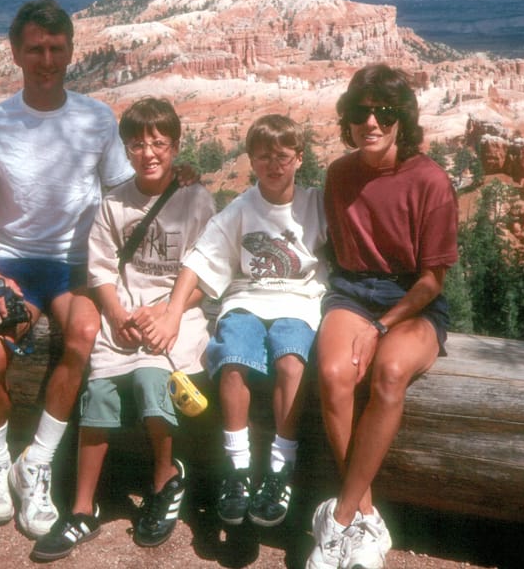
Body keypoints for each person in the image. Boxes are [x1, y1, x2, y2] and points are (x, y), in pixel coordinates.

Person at [0, 0, 135, 539]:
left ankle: (34, 462)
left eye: (56, 48)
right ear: (16, 53)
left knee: (83, 332)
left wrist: (174, 183)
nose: (46, 58)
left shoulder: (96, 118)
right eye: (35, 48)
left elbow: (124, 194)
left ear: (72, 51)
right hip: (12, 261)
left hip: (78, 260)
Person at [30, 97, 215, 561]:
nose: (149, 153)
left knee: (155, 380)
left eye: (159, 143)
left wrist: (168, 314)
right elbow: (102, 271)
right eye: (137, 144)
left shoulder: (197, 199)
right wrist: (114, 314)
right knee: (98, 392)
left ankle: (164, 478)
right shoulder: (114, 204)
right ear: (126, 149)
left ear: (175, 146)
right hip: (125, 316)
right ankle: (82, 507)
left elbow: (209, 276)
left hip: (177, 314)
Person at [306, 64, 459, 569]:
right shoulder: (339, 174)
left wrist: (381, 327)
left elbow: (433, 280)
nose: (371, 122)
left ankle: (341, 517)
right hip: (351, 292)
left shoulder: (431, 180)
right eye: (360, 112)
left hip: (412, 301)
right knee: (333, 375)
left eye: (384, 112)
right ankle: (368, 519)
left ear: (402, 120)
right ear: (347, 119)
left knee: (390, 371)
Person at [146, 114, 327, 529]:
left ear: (299, 158)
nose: (273, 165)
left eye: (283, 156)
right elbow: (199, 261)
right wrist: (172, 313)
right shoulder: (242, 207)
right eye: (263, 157)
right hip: (246, 297)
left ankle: (281, 466)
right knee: (232, 360)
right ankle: (238, 467)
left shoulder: (315, 203)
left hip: (299, 301)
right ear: (251, 160)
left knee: (291, 362)